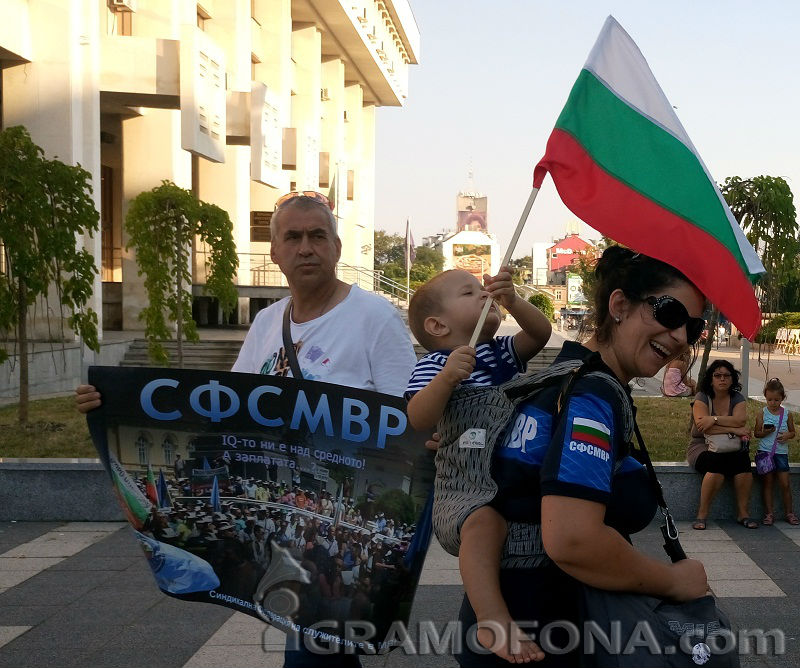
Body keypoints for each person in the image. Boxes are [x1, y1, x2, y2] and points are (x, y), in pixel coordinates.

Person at [76, 191, 417, 668]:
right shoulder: (266, 322)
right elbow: (225, 407)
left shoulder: (375, 318)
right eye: (292, 237)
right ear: (275, 252)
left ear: (337, 248)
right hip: (283, 527)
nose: (305, 248)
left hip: (327, 515)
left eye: (318, 236)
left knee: (314, 651)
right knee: (317, 648)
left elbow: (411, 415)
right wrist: (110, 404)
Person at [453, 246, 709, 667]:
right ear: (620, 305)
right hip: (548, 630)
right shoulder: (593, 394)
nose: (681, 335)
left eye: (692, 326)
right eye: (668, 312)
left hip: (508, 624)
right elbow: (572, 538)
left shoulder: (561, 375)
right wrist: (674, 581)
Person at [405, 266, 551, 663]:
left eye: (484, 289)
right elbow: (418, 417)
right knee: (483, 524)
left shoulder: (497, 353)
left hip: (505, 469)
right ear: (437, 325)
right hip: (465, 483)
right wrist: (446, 380)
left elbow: (539, 335)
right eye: (470, 293)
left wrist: (515, 301)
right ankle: (492, 620)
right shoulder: (435, 364)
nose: (484, 294)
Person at [687, 359, 756, 530]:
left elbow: (740, 419)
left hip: (730, 446)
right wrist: (736, 430)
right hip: (701, 446)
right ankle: (701, 515)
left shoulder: (737, 398)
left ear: (733, 379)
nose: (722, 379)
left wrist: (714, 419)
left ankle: (743, 514)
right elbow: (703, 429)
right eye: (717, 375)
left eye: (727, 375)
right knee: (716, 465)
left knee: (743, 464)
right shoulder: (701, 397)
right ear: (711, 379)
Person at [754, 377, 798, 526]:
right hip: (765, 452)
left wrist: (787, 435)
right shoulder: (762, 413)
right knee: (768, 483)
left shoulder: (787, 414)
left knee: (785, 484)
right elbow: (756, 433)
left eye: (776, 400)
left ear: (782, 399)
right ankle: (769, 513)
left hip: (781, 453)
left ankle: (790, 513)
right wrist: (765, 432)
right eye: (770, 400)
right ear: (765, 398)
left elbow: (793, 432)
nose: (773, 403)